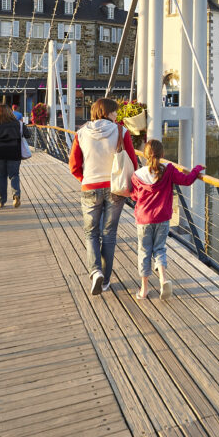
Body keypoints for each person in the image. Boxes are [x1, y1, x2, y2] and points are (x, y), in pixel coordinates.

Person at [69, 98, 138, 296]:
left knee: (91, 233)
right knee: (109, 234)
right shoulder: (121, 131)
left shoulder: (81, 133)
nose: (117, 115)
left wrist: (85, 179)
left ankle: (95, 271)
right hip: (115, 187)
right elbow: (132, 162)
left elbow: (73, 165)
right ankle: (106, 280)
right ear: (107, 112)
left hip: (90, 186)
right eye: (115, 112)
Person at [129, 139, 202, 300]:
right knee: (160, 249)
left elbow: (134, 196)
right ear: (162, 154)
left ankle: (144, 289)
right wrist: (197, 169)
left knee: (144, 251)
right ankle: (163, 279)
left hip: (144, 219)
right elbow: (187, 180)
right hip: (162, 218)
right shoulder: (168, 170)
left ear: (145, 155)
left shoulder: (137, 175)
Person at [0, 103, 30, 208]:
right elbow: (28, 135)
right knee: (14, 175)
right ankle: (16, 195)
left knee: (2, 175)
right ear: (10, 112)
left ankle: (1, 201)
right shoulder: (18, 124)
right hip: (14, 152)